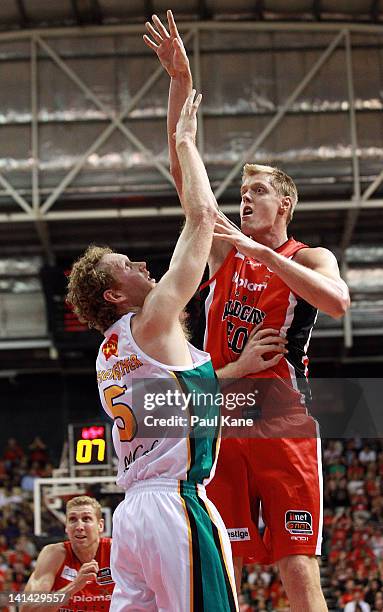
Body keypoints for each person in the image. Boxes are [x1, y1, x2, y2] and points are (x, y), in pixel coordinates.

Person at [144, 11, 350, 612]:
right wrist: (179, 83)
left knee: (297, 564)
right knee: (221, 563)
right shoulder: (223, 248)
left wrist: (265, 253)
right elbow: (187, 179)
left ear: (285, 202)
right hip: (225, 415)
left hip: (283, 417)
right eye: (242, 192)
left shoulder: (310, 255)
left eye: (257, 190)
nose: (245, 197)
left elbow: (336, 303)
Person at [67, 92, 238, 611]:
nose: (142, 264)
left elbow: (176, 402)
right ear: (115, 295)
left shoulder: (112, 348)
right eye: (127, 265)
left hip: (131, 518)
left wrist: (178, 89)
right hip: (173, 506)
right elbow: (203, 216)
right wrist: (185, 140)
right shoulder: (153, 319)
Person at [22, 495, 114, 611]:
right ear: (66, 527)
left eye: (86, 519)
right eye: (72, 519)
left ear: (100, 525)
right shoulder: (53, 554)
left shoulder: (116, 550)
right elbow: (27, 609)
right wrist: (74, 586)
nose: (79, 526)